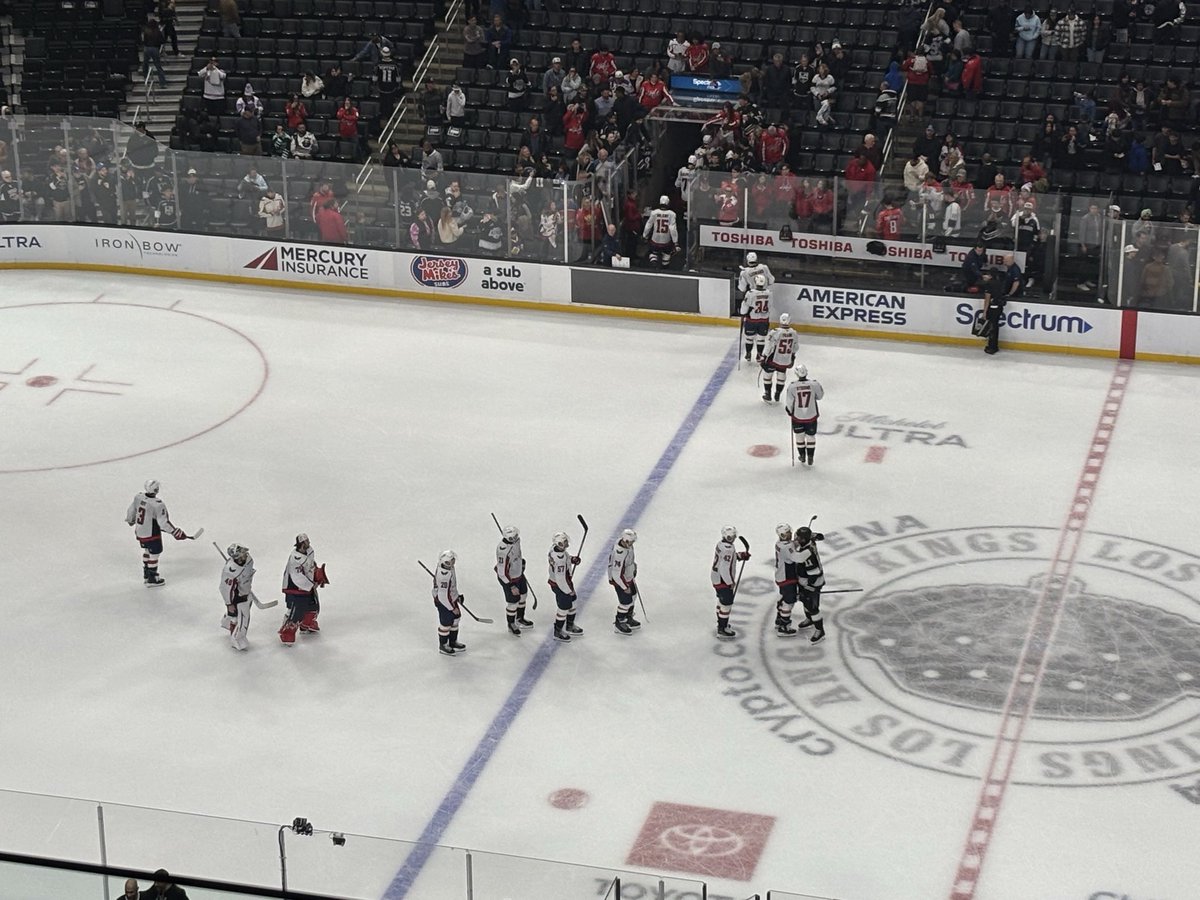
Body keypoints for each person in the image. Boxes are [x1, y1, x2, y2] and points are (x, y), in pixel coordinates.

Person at [124, 479, 186, 586]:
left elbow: (131, 510)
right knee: (155, 554)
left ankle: (146, 573)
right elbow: (163, 523)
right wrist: (175, 532)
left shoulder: (138, 497)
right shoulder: (158, 505)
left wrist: (130, 519)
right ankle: (152, 578)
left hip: (140, 531)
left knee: (147, 550)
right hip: (152, 533)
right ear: (156, 490)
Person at [280, 533, 328, 645]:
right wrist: (311, 584)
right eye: (306, 541)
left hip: (307, 585)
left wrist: (317, 574)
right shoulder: (295, 558)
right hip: (294, 588)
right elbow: (297, 577)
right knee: (296, 609)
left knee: (314, 606)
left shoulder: (309, 550)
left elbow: (311, 565)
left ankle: (306, 624)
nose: (309, 542)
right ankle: (287, 632)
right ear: (301, 544)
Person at [711, 526, 750, 640]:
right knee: (727, 603)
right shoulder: (728, 549)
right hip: (722, 580)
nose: (732, 538)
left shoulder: (721, 544)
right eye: (730, 536)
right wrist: (730, 582)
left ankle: (721, 622)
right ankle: (722, 628)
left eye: (733, 536)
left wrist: (739, 556)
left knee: (722, 601)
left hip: (716, 577)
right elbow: (724, 568)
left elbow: (726, 559)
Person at [495, 525, 532, 636]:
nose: (515, 538)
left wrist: (521, 564)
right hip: (509, 579)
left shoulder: (516, 541)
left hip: (518, 574)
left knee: (523, 595)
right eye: (512, 537)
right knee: (513, 603)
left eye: (516, 535)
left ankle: (520, 618)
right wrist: (511, 586)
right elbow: (502, 572)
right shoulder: (503, 551)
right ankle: (511, 624)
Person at [792, 527, 827, 643]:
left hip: (812, 583)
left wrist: (809, 587)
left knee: (812, 607)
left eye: (799, 538)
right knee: (805, 602)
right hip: (805, 581)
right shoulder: (810, 540)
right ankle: (810, 619)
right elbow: (815, 535)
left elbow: (814, 573)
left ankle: (820, 631)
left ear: (804, 539)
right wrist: (817, 536)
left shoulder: (807, 554)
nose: (796, 539)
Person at [547, 531, 583, 642]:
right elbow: (560, 579)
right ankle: (557, 632)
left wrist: (572, 559)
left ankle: (570, 626)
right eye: (565, 542)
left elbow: (565, 558)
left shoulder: (556, 550)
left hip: (565, 582)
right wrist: (568, 591)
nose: (567, 544)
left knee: (573, 603)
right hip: (560, 586)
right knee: (563, 609)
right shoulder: (559, 560)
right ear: (559, 544)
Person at [785, 365, 824, 467]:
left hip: (797, 416)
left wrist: (789, 411)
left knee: (799, 436)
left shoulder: (792, 386)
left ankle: (802, 455)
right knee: (811, 436)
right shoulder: (814, 384)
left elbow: (789, 402)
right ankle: (810, 456)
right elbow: (820, 396)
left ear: (796, 374)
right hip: (811, 415)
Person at [219, 544, 255, 651]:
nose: (246, 554)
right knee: (243, 618)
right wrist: (229, 603)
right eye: (243, 554)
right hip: (237, 596)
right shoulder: (229, 571)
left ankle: (228, 621)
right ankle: (238, 640)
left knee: (237, 614)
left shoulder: (248, 560)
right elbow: (225, 588)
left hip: (244, 591)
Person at [433, 549, 466, 655]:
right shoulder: (444, 575)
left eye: (452, 560)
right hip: (444, 603)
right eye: (449, 562)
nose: (451, 563)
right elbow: (443, 596)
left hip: (451, 599)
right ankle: (443, 645)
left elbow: (451, 587)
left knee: (456, 619)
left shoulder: (449, 568)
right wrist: (452, 608)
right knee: (446, 623)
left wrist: (456, 596)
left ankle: (452, 642)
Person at [608, 529, 641, 635]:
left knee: (633, 595)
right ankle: (620, 623)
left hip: (628, 576)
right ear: (625, 540)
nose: (632, 544)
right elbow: (616, 574)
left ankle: (628, 617)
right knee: (626, 602)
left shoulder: (627, 545)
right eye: (630, 542)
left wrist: (633, 568)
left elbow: (629, 560)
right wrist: (625, 587)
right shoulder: (619, 553)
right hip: (620, 580)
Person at [760, 313, 796, 403]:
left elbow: (769, 346)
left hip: (773, 359)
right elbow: (795, 347)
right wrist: (792, 356)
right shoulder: (794, 333)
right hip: (785, 360)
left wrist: (764, 356)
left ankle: (768, 394)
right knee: (781, 376)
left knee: (767, 375)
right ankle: (778, 394)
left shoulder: (775, 332)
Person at [773, 523, 800, 636]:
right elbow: (797, 558)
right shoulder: (787, 547)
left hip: (781, 576)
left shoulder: (779, 543)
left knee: (784, 598)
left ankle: (779, 619)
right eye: (788, 533)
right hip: (787, 577)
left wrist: (797, 542)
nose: (790, 534)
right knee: (789, 601)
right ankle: (784, 626)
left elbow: (791, 545)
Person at [740, 273, 772, 362]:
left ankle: (748, 354)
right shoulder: (769, 293)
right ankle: (759, 355)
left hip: (752, 319)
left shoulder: (750, 293)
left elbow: (745, 305)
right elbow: (770, 305)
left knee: (749, 338)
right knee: (761, 339)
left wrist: (743, 313)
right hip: (764, 320)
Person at [642, 194, 678, 268]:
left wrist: (644, 235)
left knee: (653, 253)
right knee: (666, 255)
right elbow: (673, 229)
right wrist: (675, 242)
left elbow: (648, 225)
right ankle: (664, 266)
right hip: (666, 241)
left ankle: (654, 263)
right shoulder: (672, 214)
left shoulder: (654, 213)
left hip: (655, 239)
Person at [142, 17, 168, 89]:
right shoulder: (157, 32)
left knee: (145, 63)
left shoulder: (146, 31)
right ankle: (162, 83)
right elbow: (162, 41)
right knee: (158, 66)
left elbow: (144, 41)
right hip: (155, 48)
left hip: (147, 48)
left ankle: (145, 76)